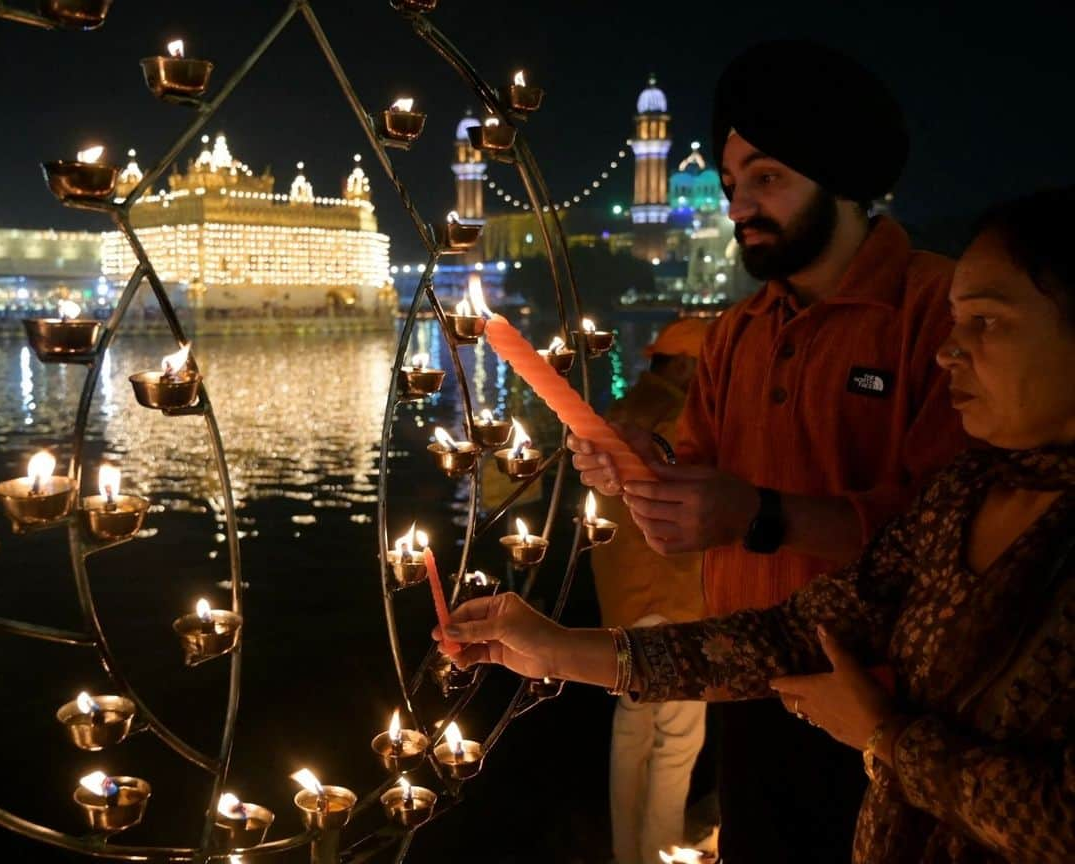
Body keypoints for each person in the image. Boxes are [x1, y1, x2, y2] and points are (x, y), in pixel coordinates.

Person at [436, 186, 1075, 863]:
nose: (951, 352)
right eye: (955, 322)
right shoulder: (965, 495)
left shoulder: (913, 331)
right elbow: (791, 633)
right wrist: (560, 650)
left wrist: (890, 738)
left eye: (989, 323)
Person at [569, 40, 968, 862]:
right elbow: (700, 513)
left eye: (767, 179)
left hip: (896, 713)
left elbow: (954, 533)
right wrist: (644, 478)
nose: (739, 205)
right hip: (749, 691)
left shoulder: (943, 311)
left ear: (841, 177)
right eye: (729, 184)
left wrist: (759, 514)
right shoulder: (736, 338)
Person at [591, 317, 710, 864]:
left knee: (632, 729)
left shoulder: (621, 409)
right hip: (677, 600)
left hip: (623, 598)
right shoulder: (684, 415)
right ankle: (659, 851)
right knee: (679, 741)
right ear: (687, 365)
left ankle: (625, 852)